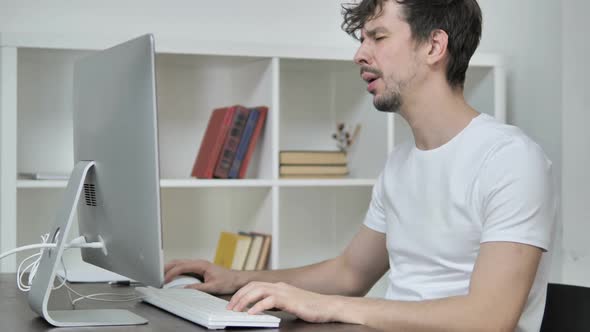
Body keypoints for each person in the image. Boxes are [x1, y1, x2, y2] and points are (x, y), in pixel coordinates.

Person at [165, 0, 556, 331]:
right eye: (363, 39)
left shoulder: (509, 159)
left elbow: (488, 318)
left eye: (379, 37)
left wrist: (327, 306)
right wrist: (237, 279)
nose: (360, 54)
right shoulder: (401, 163)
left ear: (435, 45)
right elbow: (350, 273)